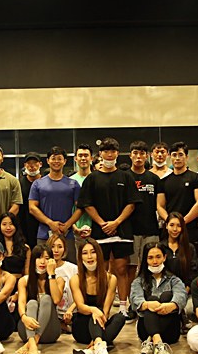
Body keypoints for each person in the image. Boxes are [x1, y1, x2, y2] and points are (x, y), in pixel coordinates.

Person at [77, 137, 140, 321]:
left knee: (121, 269)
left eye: (112, 151)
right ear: (100, 154)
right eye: (106, 151)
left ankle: (123, 307)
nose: (109, 155)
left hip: (122, 231)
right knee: (100, 270)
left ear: (117, 153)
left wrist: (116, 223)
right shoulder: (92, 178)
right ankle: (100, 306)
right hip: (100, 231)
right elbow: (86, 204)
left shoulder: (126, 176)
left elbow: (132, 203)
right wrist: (102, 223)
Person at [69, 239, 125, 354]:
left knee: (120, 317)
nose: (89, 256)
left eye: (93, 252)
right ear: (80, 257)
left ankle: (91, 350)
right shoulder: (75, 279)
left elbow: (106, 312)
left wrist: (98, 313)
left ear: (99, 254)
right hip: (82, 326)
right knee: (94, 311)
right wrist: (93, 310)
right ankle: (99, 346)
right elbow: (80, 307)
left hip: (100, 323)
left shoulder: (110, 279)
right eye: (85, 253)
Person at [130, 243, 187, 354]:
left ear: (164, 257)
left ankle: (152, 341)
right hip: (145, 329)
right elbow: (135, 300)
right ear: (145, 260)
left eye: (158, 257)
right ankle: (158, 343)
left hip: (170, 330)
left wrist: (172, 305)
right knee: (152, 300)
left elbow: (181, 295)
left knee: (167, 296)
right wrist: (148, 305)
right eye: (150, 258)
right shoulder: (139, 281)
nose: (155, 261)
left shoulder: (174, 279)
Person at [29, 146, 83, 260]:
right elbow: (32, 207)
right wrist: (50, 223)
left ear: (65, 161)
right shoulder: (38, 184)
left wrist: (67, 225)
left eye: (59, 158)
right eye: (53, 158)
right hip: (44, 234)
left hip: (67, 234)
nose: (56, 161)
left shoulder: (73, 184)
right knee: (43, 265)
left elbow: (80, 208)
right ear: (48, 161)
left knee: (70, 267)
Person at [156, 142, 198, 258]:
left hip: (190, 229)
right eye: (174, 155)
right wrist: (170, 222)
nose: (177, 158)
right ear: (170, 157)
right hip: (169, 231)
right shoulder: (163, 182)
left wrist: (182, 221)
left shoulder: (196, 178)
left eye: (180, 155)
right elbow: (160, 206)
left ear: (186, 157)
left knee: (192, 262)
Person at [127, 140, 161, 307]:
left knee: (152, 266)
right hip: (130, 231)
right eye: (135, 153)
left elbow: (159, 205)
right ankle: (132, 303)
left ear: (147, 156)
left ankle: (151, 299)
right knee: (131, 268)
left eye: (142, 153)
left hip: (151, 229)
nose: (138, 157)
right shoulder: (124, 177)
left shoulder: (154, 178)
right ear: (130, 155)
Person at [16, 245, 64, 354]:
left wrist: (51, 274)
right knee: (32, 303)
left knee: (46, 298)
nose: (42, 262)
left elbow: (56, 300)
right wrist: (24, 317)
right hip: (27, 330)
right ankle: (32, 343)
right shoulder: (24, 280)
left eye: (47, 258)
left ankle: (32, 343)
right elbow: (21, 302)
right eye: (39, 257)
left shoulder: (58, 280)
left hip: (50, 331)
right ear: (33, 260)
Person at [46, 233, 78, 333]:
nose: (56, 250)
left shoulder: (73, 268)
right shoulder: (42, 267)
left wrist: (70, 310)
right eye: (52, 246)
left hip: (72, 312)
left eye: (60, 247)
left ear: (64, 249)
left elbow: (81, 295)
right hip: (52, 314)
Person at [160, 212, 198, 288]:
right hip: (164, 288)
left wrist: (187, 288)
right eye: (172, 225)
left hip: (185, 288)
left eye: (179, 226)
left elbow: (194, 271)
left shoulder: (190, 248)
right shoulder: (160, 247)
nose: (175, 229)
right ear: (166, 226)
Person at [69, 143, 95, 250]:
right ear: (75, 158)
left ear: (91, 158)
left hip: (95, 230)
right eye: (80, 156)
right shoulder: (70, 181)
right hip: (75, 231)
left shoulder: (98, 179)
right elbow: (67, 207)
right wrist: (73, 227)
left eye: (86, 155)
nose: (83, 158)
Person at [18, 152, 44, 249]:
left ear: (40, 164)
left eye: (35, 163)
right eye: (29, 163)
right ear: (25, 165)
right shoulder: (19, 183)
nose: (32, 166)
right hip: (24, 226)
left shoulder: (45, 182)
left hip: (42, 224)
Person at [0, 212, 31, 278]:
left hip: (19, 282)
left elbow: (27, 271)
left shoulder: (25, 248)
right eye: (4, 224)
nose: (8, 228)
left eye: (11, 224)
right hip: (0, 281)